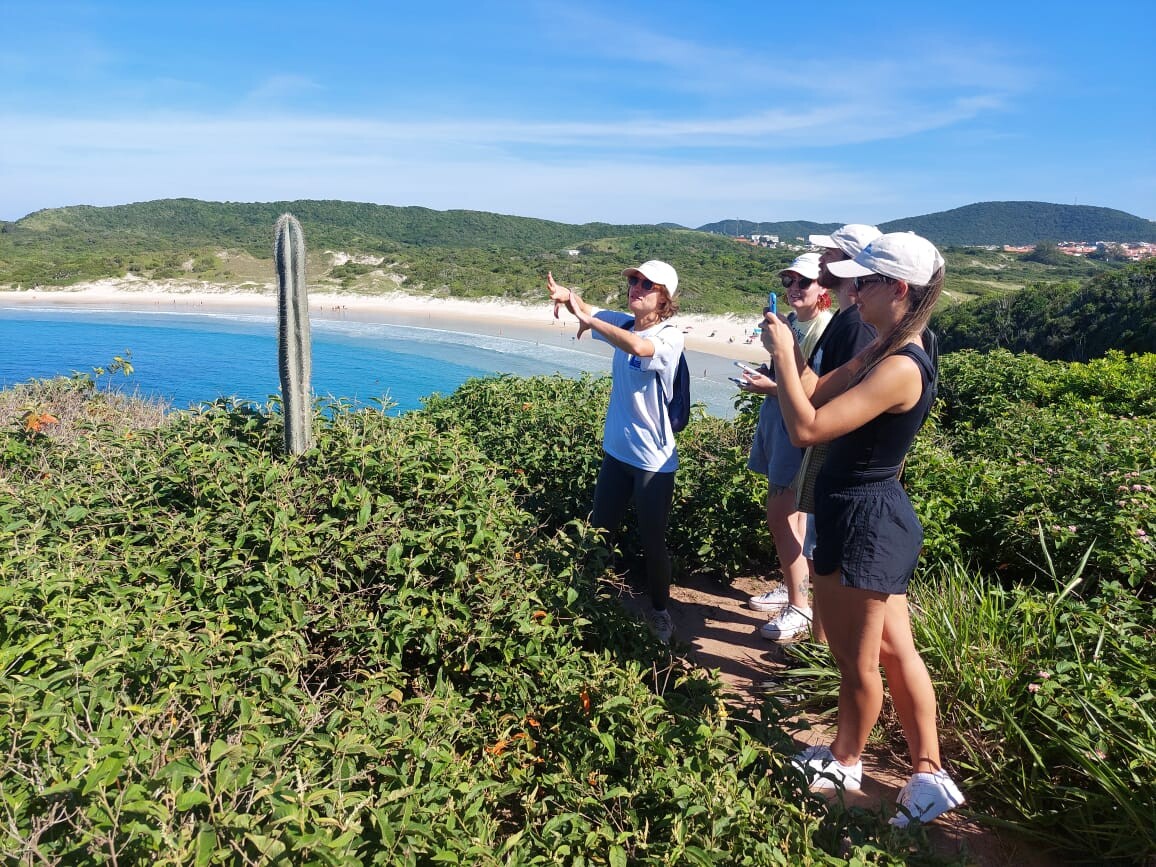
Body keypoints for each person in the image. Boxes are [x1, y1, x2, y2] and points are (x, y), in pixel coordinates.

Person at [761, 232, 965, 827]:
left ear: (896, 288)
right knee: (895, 653)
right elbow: (814, 392)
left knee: (858, 664)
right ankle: (929, 774)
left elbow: (807, 428)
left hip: (864, 523)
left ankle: (845, 761)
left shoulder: (899, 364)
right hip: (873, 518)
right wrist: (790, 353)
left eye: (863, 281)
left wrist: (782, 355)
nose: (850, 290)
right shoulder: (889, 345)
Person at [546, 261, 684, 644]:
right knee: (598, 532)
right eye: (633, 281)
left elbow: (639, 347)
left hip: (653, 461)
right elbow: (588, 308)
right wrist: (568, 297)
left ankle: (660, 612)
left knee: (653, 542)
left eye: (646, 284)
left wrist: (591, 322)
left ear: (665, 298)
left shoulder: (670, 336)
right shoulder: (623, 323)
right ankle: (585, 601)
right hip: (616, 453)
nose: (635, 287)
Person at [792, 224, 882, 642]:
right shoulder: (847, 319)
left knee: (825, 557)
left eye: (828, 254)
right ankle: (819, 645)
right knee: (818, 554)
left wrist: (786, 354)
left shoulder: (857, 327)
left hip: (837, 455)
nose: (820, 261)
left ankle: (823, 649)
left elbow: (827, 398)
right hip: (830, 452)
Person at [740, 252, 832, 641]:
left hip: (796, 432)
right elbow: (788, 373)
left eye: (803, 282)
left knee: (780, 516)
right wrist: (766, 373)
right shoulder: (792, 322)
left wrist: (770, 387)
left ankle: (799, 606)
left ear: (823, 286)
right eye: (788, 281)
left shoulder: (825, 329)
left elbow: (817, 391)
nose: (794, 288)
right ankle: (795, 587)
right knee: (794, 518)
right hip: (778, 425)